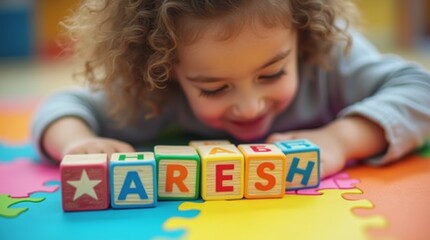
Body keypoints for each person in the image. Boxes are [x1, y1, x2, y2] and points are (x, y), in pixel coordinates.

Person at [32, 0, 430, 179]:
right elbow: (65, 105)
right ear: (163, 70)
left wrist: (339, 140)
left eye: (272, 74)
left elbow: (420, 90)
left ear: (303, 38)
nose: (249, 106)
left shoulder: (330, 56)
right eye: (215, 88)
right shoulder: (151, 93)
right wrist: (76, 142)